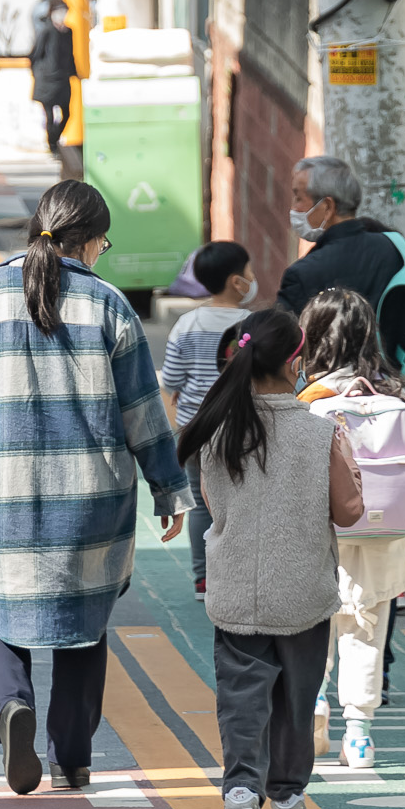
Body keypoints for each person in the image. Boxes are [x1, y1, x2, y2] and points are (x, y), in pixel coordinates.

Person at [0, 180, 193, 796]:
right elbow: (142, 412)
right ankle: (72, 758)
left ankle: (11, 706)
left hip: (3, 492)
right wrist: (169, 489)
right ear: (94, 239)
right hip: (92, 499)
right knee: (84, 624)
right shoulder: (107, 305)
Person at [178, 307, 361, 809]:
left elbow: (212, 503)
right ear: (293, 361)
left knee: (241, 694)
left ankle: (239, 792)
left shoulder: (217, 429)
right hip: (303, 587)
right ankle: (285, 798)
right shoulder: (317, 431)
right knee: (297, 699)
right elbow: (348, 511)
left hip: (235, 585)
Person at [297, 286, 405, 771]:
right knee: (367, 627)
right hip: (383, 538)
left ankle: (316, 703)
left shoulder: (310, 399)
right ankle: (360, 734)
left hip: (321, 535)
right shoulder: (397, 393)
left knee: (313, 626)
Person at [159, 241, 256, 593]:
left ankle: (204, 577)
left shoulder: (187, 324)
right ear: (236, 281)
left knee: (201, 502)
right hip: (243, 427)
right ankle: (239, 573)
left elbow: (170, 380)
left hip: (195, 428)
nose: (253, 278)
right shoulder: (252, 326)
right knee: (242, 498)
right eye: (249, 272)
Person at [273, 155, 405, 365]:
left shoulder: (303, 274)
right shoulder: (395, 246)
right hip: (397, 380)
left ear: (328, 206)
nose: (293, 208)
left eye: (299, 198)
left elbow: (280, 345)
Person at [29, 0, 75, 155]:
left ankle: (54, 139)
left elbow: (71, 55)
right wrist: (37, 74)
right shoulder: (46, 31)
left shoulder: (69, 32)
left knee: (67, 112)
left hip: (63, 79)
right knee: (49, 115)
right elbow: (35, 54)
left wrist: (74, 73)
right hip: (47, 80)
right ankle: (52, 144)